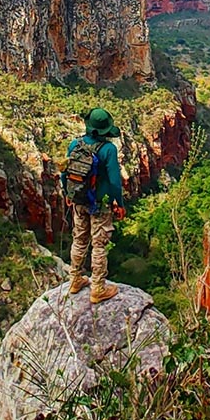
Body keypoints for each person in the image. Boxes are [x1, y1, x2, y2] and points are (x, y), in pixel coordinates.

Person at [63, 107, 126, 304]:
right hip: (99, 204)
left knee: (79, 239)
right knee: (99, 245)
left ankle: (75, 279)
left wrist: (67, 193)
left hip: (78, 200)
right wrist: (119, 203)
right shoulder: (108, 149)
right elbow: (115, 181)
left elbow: (64, 172)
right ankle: (98, 287)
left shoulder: (75, 144)